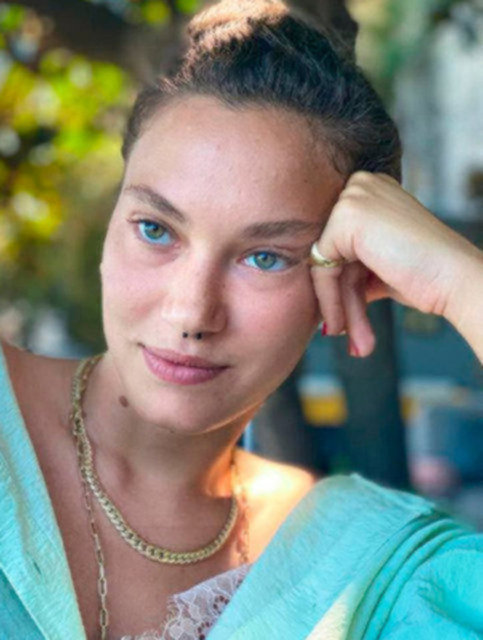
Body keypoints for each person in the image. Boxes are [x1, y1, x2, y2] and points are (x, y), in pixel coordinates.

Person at [1, 1, 482, 639]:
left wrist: (461, 281)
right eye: (155, 229)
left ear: (343, 278)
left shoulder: (375, 566)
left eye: (264, 257)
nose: (191, 312)